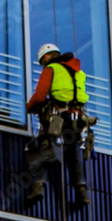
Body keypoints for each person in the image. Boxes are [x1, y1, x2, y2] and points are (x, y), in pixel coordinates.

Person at [24, 43, 94, 206]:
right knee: (74, 151)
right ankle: (81, 192)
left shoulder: (51, 69)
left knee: (43, 148)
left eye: (43, 62)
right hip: (77, 119)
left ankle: (38, 188)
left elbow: (40, 95)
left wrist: (30, 106)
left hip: (59, 118)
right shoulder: (78, 72)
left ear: (46, 57)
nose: (43, 65)